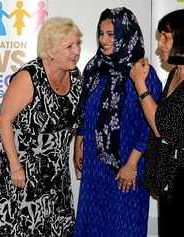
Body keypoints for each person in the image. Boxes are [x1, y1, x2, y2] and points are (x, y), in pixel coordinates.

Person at [73, 7, 162, 237]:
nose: (104, 40)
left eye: (111, 34)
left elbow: (150, 126)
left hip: (127, 169)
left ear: (126, 33)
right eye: (101, 33)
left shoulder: (143, 73)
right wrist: (78, 141)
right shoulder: (95, 69)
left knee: (124, 228)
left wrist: (131, 164)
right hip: (95, 169)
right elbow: (86, 109)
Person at [0, 17, 83, 236]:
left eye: (78, 44)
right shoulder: (28, 77)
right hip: (23, 172)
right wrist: (15, 166)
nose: (77, 51)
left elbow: (79, 120)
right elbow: (4, 120)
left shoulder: (76, 76)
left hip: (56, 175)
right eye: (69, 46)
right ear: (50, 51)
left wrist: (78, 149)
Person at [130, 9, 184, 237]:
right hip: (169, 181)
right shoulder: (176, 73)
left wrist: (140, 85)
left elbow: (162, 128)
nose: (160, 44)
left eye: (166, 37)